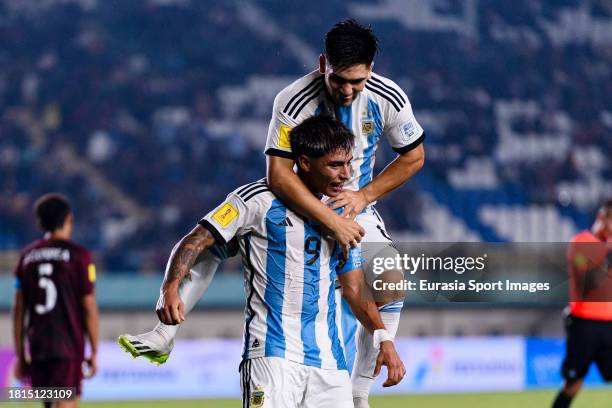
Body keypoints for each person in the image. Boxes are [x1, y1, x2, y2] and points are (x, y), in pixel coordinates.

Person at [123, 18, 423, 407]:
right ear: (322, 65)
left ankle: (359, 392)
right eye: (338, 80)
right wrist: (326, 218)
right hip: (298, 192)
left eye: (357, 81)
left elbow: (414, 156)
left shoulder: (389, 98)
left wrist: (362, 197)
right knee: (217, 240)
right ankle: (165, 331)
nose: (347, 90)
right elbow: (279, 174)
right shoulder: (293, 99)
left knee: (390, 279)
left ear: (370, 71)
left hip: (353, 203)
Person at [120, 116, 405, 406]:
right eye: (335, 165)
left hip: (330, 364)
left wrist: (383, 338)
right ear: (304, 162)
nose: (346, 175)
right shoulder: (256, 200)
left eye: (348, 164)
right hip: (272, 355)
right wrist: (169, 288)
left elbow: (354, 289)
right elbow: (195, 241)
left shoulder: (345, 212)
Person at [12, 193, 99, 408]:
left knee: (51, 403)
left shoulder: (26, 257)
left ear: (40, 222)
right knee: (65, 403)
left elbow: (19, 311)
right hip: (67, 346)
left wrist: (21, 355)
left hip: (39, 346)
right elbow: (88, 306)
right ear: (69, 218)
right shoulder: (80, 256)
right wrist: (94, 351)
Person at [552, 199, 612, 408]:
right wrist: (608, 259)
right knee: (573, 382)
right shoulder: (580, 243)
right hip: (584, 323)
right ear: (602, 218)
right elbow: (586, 283)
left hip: (610, 324)